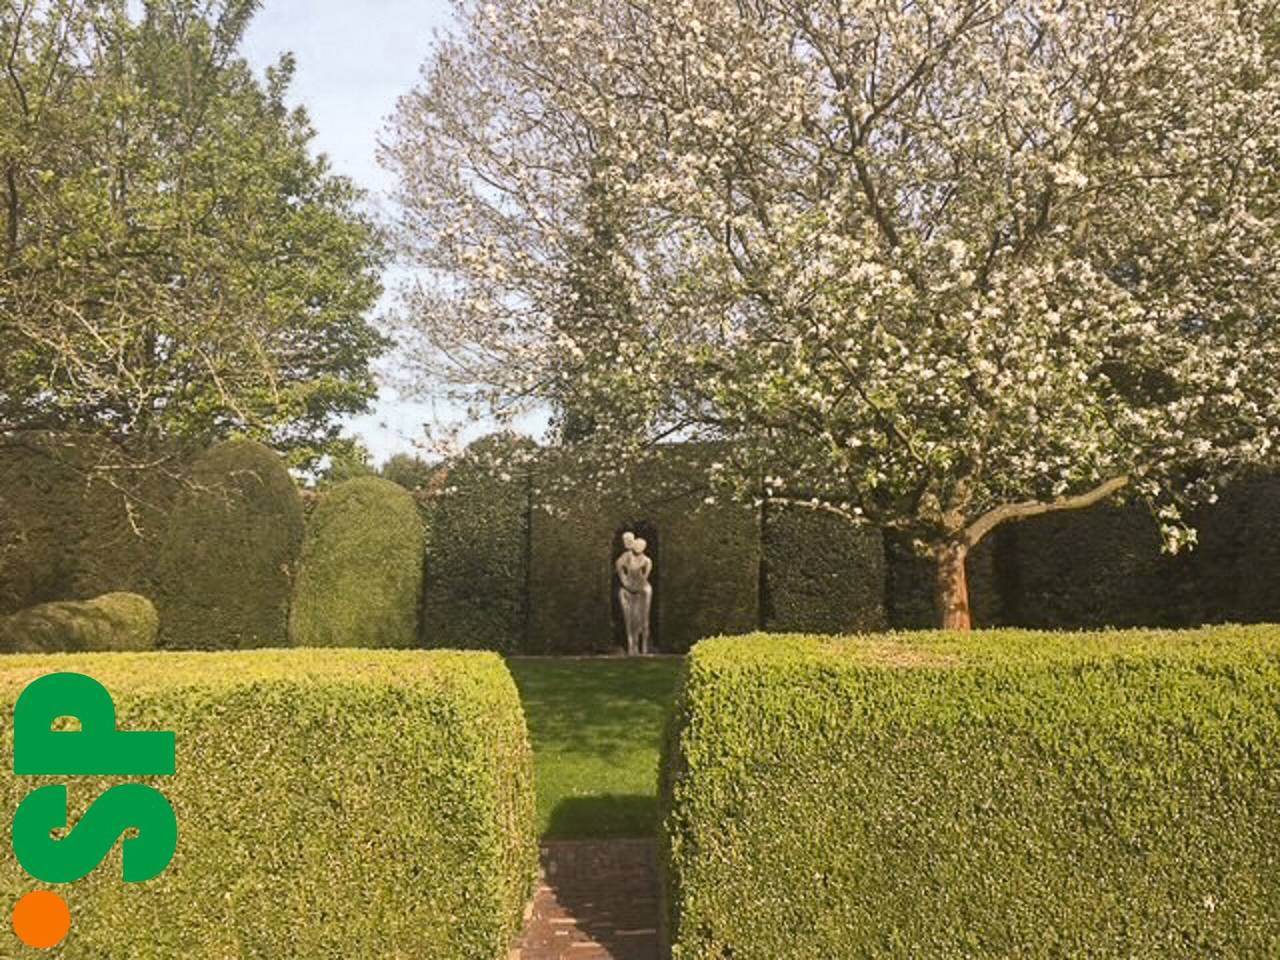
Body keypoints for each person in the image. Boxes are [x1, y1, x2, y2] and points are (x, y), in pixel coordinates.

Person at [615, 533, 653, 655]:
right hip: (627, 589)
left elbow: (644, 578)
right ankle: (631, 645)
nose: (628, 543)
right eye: (626, 541)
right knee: (629, 619)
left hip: (642, 590)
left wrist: (637, 587)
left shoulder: (647, 561)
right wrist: (627, 585)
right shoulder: (624, 558)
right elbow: (621, 572)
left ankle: (644, 646)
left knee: (643, 619)